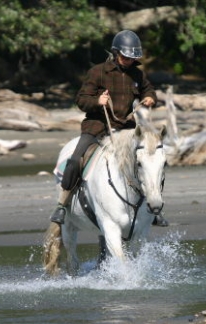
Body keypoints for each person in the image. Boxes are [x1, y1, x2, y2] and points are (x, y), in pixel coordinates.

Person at [50, 30, 161, 225]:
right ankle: (62, 204)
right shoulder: (97, 72)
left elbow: (148, 89)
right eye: (125, 57)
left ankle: (154, 206)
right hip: (97, 127)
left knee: (150, 161)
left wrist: (151, 97)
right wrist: (97, 101)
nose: (128, 60)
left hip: (127, 130)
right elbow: (81, 100)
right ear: (116, 53)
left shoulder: (137, 73)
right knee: (76, 159)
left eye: (132, 57)